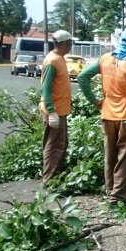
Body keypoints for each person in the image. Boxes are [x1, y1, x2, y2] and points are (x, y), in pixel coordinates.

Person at [77, 28, 126, 205]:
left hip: (107, 113)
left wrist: (95, 101)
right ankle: (118, 196)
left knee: (110, 154)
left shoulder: (105, 59)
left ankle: (111, 190)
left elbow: (82, 77)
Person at [39, 30, 74, 186]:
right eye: (70, 43)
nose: (71, 46)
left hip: (60, 110)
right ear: (64, 43)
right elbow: (45, 89)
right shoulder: (52, 61)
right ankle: (49, 180)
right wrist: (51, 111)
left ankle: (55, 178)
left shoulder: (59, 59)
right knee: (53, 146)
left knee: (60, 144)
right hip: (55, 111)